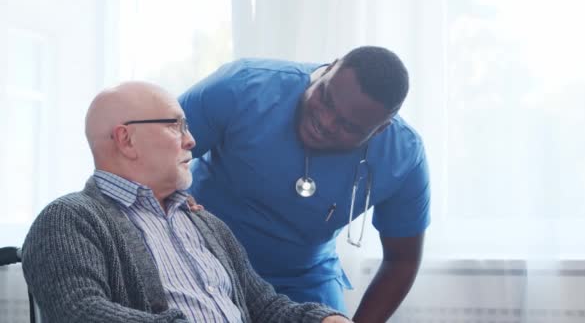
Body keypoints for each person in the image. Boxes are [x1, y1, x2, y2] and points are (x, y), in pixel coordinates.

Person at [21, 81, 350, 323]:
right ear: (126, 140)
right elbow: (81, 313)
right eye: (175, 125)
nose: (191, 140)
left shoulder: (206, 223)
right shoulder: (68, 218)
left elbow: (262, 305)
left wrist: (323, 320)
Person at [179, 46, 431, 322]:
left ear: (380, 129)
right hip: (201, 258)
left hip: (303, 279)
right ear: (329, 68)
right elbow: (146, 155)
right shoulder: (243, 86)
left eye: (347, 126)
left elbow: (402, 260)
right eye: (326, 99)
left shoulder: (403, 156)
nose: (325, 122)